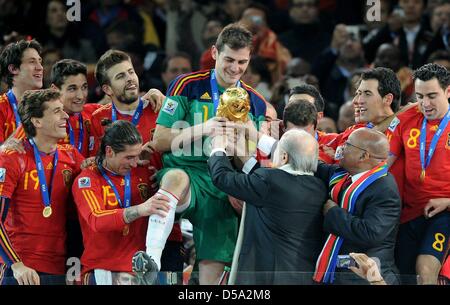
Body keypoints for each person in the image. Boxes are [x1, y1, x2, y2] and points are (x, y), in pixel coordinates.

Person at [132, 23, 271, 285]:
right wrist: (203, 129)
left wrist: (237, 146)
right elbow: (160, 140)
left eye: (242, 62)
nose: (235, 68)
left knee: (210, 274)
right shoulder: (186, 85)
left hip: (223, 183)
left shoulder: (255, 101)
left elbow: (249, 161)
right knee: (175, 178)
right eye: (229, 59)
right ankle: (150, 260)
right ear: (215, 53)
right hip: (187, 174)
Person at [90, 49, 184, 275]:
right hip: (118, 228)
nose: (130, 78)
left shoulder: (161, 110)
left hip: (163, 225)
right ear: (107, 89)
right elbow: (90, 166)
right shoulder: (94, 119)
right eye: (120, 76)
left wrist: (162, 171)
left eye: (131, 72)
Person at [207, 128, 327, 284]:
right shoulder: (319, 188)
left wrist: (217, 149)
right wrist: (243, 155)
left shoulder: (270, 181)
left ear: (284, 157)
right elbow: (271, 184)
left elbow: (222, 178)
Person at [0, 89, 84, 285]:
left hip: (60, 268)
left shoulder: (71, 156)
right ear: (37, 121)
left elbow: (104, 173)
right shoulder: (13, 158)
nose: (65, 115)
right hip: (23, 270)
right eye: (57, 111)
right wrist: (16, 264)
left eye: (63, 110)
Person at [72, 120, 171, 285]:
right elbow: (96, 219)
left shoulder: (145, 172)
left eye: (137, 156)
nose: (134, 163)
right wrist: (140, 209)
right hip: (102, 270)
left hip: (143, 272)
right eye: (129, 157)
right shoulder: (88, 179)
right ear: (109, 151)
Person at [387, 63, 450, 284]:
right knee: (402, 274)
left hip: (443, 213)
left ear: (448, 91)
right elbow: (383, 162)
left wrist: (448, 202)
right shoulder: (405, 119)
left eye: (432, 96)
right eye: (420, 96)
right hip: (408, 213)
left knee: (425, 268)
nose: (425, 103)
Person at [314, 128, 401, 285]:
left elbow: (370, 233)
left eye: (347, 144)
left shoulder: (385, 189)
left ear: (363, 156)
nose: (341, 147)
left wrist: (333, 213)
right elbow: (316, 166)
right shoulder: (344, 174)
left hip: (366, 277)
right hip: (340, 271)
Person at [0, 39, 43, 143]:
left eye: (40, 61)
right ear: (14, 69)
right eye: (32, 62)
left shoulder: (49, 106)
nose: (40, 67)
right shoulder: (1, 108)